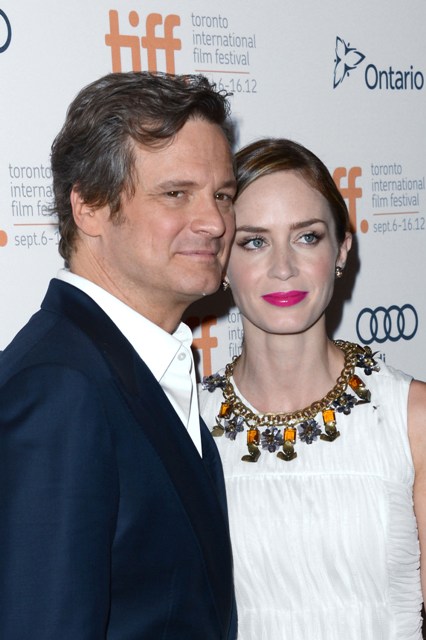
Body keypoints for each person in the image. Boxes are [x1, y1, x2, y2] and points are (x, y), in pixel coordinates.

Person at [0, 71, 238, 639]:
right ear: (89, 206)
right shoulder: (60, 389)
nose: (214, 222)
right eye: (176, 193)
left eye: (223, 195)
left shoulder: (135, 363)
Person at [200, 137, 426, 639]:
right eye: (254, 242)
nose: (283, 267)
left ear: (341, 249)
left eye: (307, 237)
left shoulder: (413, 419)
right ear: (222, 260)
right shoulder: (187, 426)